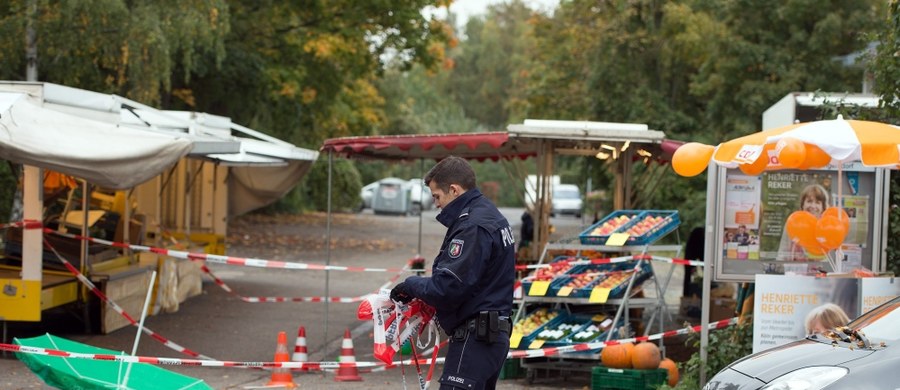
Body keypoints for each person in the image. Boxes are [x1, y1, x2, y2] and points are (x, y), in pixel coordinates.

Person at [390, 156, 516, 390]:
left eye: (437, 196)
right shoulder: (490, 214)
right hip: (490, 335)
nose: (436, 204)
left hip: (475, 339)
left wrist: (411, 285)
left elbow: (448, 288)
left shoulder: (472, 226)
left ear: (454, 190)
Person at [777, 183, 829, 261]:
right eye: (809, 201)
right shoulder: (792, 223)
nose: (813, 206)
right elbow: (782, 252)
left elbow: (827, 259)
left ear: (823, 207)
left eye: (817, 202)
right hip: (792, 271)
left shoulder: (826, 228)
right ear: (802, 205)